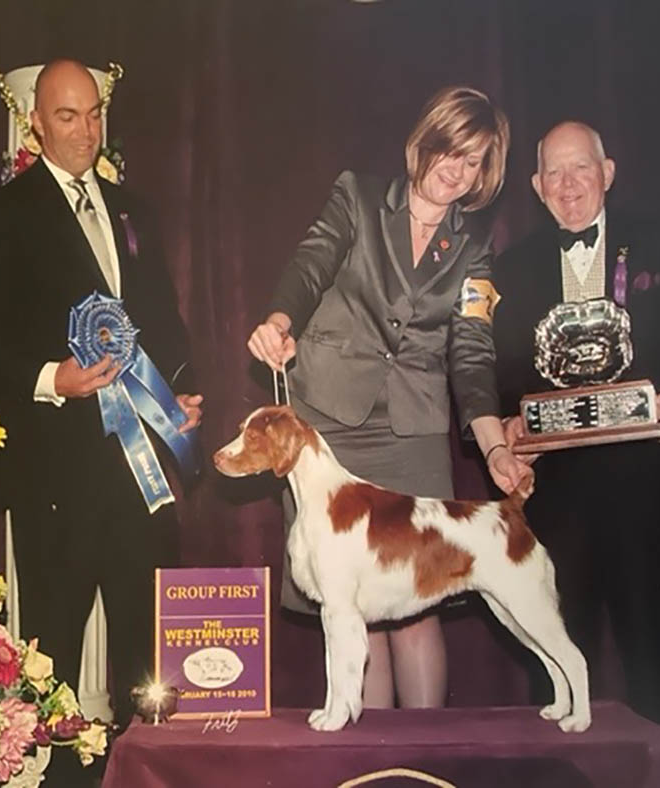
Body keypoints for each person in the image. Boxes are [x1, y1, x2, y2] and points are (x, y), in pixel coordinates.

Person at [0, 59, 202, 777]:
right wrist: (50, 378)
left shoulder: (133, 210)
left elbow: (166, 323)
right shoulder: (1, 212)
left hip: (137, 467)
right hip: (53, 471)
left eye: (95, 114)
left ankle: (147, 775)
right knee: (54, 653)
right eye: (68, 116)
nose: (87, 130)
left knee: (142, 658)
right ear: (36, 121)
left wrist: (178, 391)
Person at [248, 86, 531, 710]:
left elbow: (472, 352)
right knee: (355, 607)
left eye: (476, 161)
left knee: (416, 605)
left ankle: (423, 759)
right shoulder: (360, 196)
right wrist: (278, 319)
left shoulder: (474, 244)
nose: (458, 171)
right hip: (331, 423)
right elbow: (310, 263)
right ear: (423, 144)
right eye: (450, 152)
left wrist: (494, 452)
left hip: (413, 432)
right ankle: (364, 755)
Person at [492, 120, 660, 725]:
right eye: (554, 174)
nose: (569, 185)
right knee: (559, 666)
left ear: (607, 172)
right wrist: (511, 424)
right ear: (536, 186)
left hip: (648, 489)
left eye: (580, 168)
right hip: (557, 497)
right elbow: (496, 370)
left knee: (656, 662)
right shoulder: (508, 269)